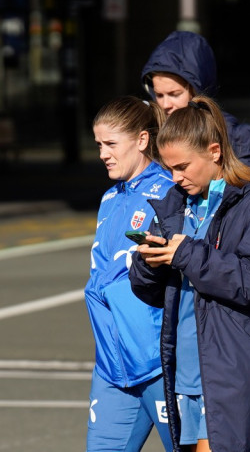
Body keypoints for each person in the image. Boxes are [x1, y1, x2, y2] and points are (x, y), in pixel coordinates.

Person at [129, 96, 250, 452]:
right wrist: (149, 263)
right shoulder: (175, 205)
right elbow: (149, 292)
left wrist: (187, 253)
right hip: (188, 373)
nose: (175, 179)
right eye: (169, 168)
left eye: (182, 167)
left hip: (235, 372)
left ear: (214, 151)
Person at [85, 96, 175, 451]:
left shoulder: (169, 193)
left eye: (111, 144)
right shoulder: (110, 197)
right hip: (111, 363)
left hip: (156, 361)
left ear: (141, 140)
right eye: (99, 145)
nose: (103, 153)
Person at [141, 30, 250, 223]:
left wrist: (238, 234)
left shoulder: (235, 137)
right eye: (159, 95)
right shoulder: (157, 136)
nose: (166, 104)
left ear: (198, 88)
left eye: (174, 94)